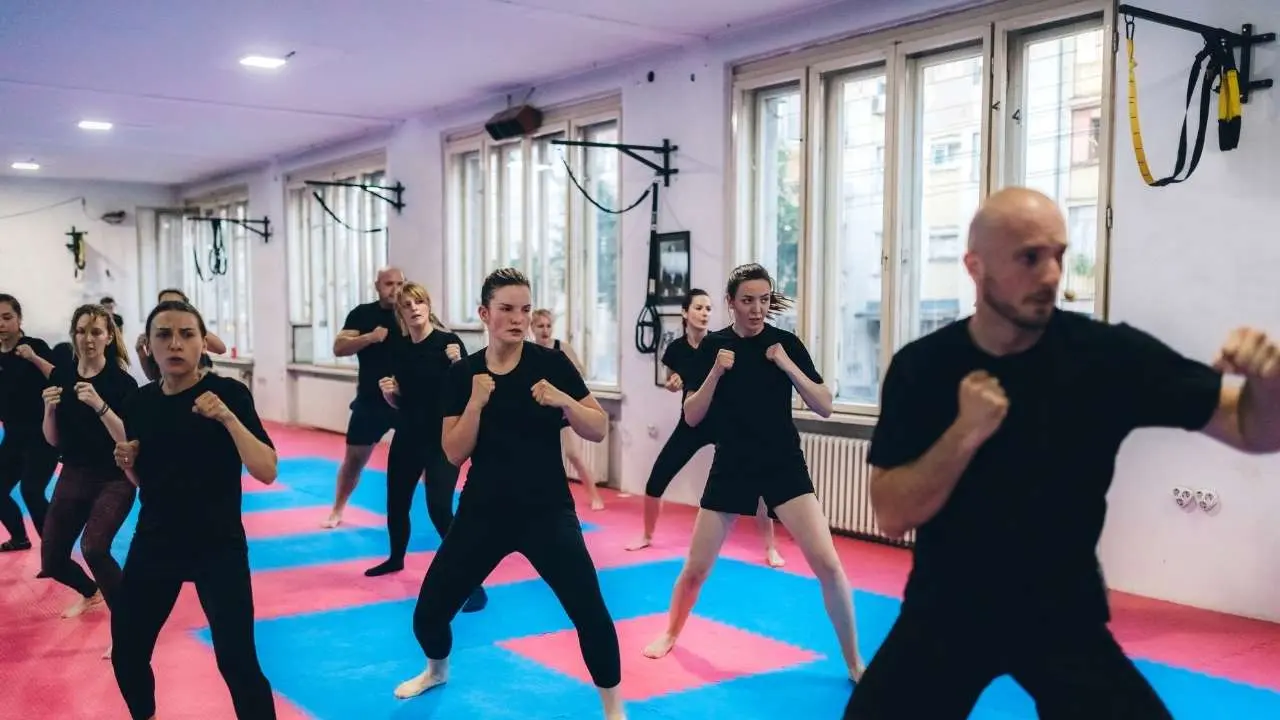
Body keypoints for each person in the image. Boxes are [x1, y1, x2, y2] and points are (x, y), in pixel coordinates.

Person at [842, 187, 1280, 719]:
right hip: (947, 610)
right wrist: (965, 433)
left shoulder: (1106, 357)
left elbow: (1252, 431)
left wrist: (1270, 384)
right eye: (1029, 257)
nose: (1051, 275)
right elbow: (891, 513)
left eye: (1059, 255)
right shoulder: (924, 368)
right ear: (975, 267)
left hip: (1061, 612)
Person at [395, 268, 626, 720]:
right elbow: (452, 451)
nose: (518, 319)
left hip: (547, 511)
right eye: (506, 309)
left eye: (524, 309)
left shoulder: (552, 364)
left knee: (590, 612)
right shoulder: (463, 374)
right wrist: (477, 402)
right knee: (428, 614)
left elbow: (598, 428)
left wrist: (565, 400)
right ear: (485, 314)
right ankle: (436, 670)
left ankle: (614, 710)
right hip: (484, 511)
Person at [641, 263, 864, 683]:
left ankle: (854, 663)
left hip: (783, 464)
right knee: (696, 568)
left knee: (829, 564)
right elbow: (691, 416)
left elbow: (825, 404)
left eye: (764, 299)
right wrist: (714, 373)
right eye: (747, 300)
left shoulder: (785, 343)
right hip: (732, 465)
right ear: (731, 303)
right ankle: (671, 631)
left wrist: (787, 366)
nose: (757, 309)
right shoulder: (713, 347)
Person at [110, 299, 278, 720]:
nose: (175, 343)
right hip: (156, 541)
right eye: (163, 334)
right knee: (126, 653)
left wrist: (228, 419)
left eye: (187, 334)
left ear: (203, 343)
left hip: (217, 544)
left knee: (237, 663)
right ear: (148, 345)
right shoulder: (140, 403)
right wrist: (129, 464)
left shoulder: (229, 394)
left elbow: (267, 470)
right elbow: (146, 481)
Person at [626, 288, 785, 565]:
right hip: (693, 423)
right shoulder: (675, 349)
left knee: (758, 485)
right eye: (698, 308)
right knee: (657, 477)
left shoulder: (720, 343)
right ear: (685, 313)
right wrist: (672, 382)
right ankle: (647, 534)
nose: (704, 313)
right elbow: (672, 379)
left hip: (726, 423)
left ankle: (771, 548)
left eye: (708, 309)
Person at [365, 282, 488, 611]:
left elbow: (469, 392)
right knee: (395, 502)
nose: (414, 308)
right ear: (401, 312)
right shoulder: (400, 349)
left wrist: (458, 362)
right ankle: (395, 558)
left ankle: (473, 583)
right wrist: (389, 394)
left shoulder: (449, 343)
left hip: (442, 439)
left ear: (428, 305)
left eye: (419, 302)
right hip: (407, 434)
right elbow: (402, 400)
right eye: (407, 305)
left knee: (439, 509)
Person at [39, 305, 138, 639]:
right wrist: (49, 411)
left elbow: (128, 441)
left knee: (94, 547)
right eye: (81, 331)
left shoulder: (122, 383)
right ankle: (90, 592)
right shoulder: (61, 376)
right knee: (51, 560)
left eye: (96, 332)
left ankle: (128, 628)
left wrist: (100, 405)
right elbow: (53, 440)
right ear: (73, 335)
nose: (88, 339)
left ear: (109, 336)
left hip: (115, 477)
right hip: (74, 472)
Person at [322, 267, 404, 528]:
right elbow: (338, 347)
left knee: (428, 463)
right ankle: (337, 509)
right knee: (354, 460)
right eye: (389, 283)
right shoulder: (362, 314)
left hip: (408, 402)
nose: (395, 289)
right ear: (377, 286)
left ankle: (447, 518)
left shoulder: (412, 313)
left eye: (400, 283)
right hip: (370, 400)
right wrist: (370, 337)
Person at [530, 308, 605, 511]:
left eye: (548, 326)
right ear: (532, 328)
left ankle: (594, 495)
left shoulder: (561, 348)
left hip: (563, 407)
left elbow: (578, 374)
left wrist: (568, 399)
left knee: (573, 453)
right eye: (540, 326)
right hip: (540, 409)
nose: (545, 331)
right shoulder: (528, 351)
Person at [0, 293, 58, 552]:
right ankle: (20, 538)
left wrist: (33, 357)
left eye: (7, 317)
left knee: (31, 491)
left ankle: (53, 552)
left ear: (19, 319)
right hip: (13, 436)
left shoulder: (36, 346)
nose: (1, 323)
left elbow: (58, 379)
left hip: (42, 435)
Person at [136, 288, 226, 380]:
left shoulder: (196, 330)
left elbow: (221, 349)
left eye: (176, 304)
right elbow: (152, 376)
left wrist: (194, 325)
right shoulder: (155, 336)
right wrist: (142, 354)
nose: (171, 308)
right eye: (165, 305)